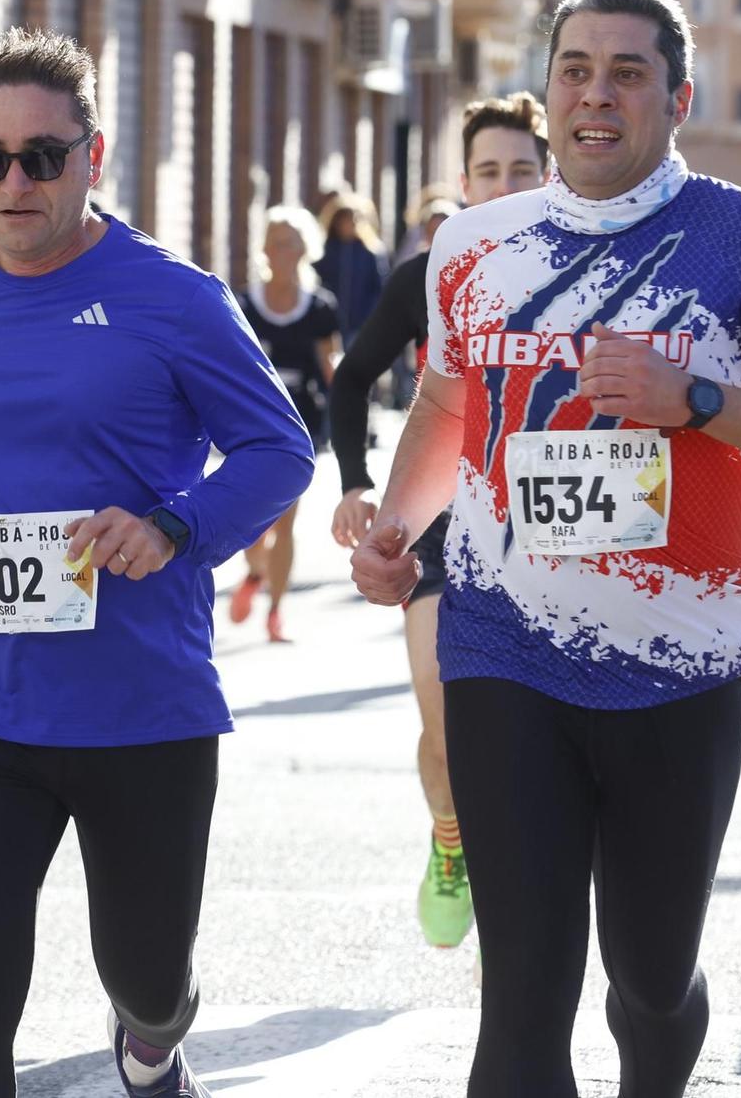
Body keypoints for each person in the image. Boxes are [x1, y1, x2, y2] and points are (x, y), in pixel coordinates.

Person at [0, 29, 315, 1098]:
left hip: (139, 704)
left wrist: (172, 524)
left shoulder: (171, 296)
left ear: (93, 155)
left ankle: (153, 1036)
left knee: (144, 975)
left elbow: (277, 448)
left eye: (43, 155)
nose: (14, 179)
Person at [352, 0, 741, 1097]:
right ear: (543, 96)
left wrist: (688, 396)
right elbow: (449, 406)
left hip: (676, 666)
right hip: (501, 654)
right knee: (521, 997)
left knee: (647, 977)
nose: (595, 94)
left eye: (626, 72)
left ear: (675, 96)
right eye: (573, 70)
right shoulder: (469, 242)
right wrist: (396, 528)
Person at [329, 91, 548, 953]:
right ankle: (451, 840)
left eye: (521, 171)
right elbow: (350, 380)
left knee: (533, 727)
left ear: (548, 173)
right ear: (463, 180)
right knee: (444, 723)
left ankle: (531, 873)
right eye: (487, 171)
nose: (502, 186)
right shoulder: (429, 274)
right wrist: (354, 483)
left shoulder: (581, 268)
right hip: (440, 524)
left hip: (541, 524)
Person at [226, 206, 340, 644]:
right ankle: (255, 572)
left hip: (299, 424)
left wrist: (350, 402)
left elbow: (332, 365)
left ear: (304, 250)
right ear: (264, 250)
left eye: (290, 242)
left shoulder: (319, 307)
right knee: (255, 519)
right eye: (274, 242)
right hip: (251, 423)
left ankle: (275, 610)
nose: (281, 251)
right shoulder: (244, 303)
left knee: (286, 520)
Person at [316, 191, 386, 342]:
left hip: (360, 325)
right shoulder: (325, 250)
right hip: (330, 324)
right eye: (343, 220)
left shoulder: (370, 251)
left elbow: (379, 288)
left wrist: (370, 318)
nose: (347, 225)